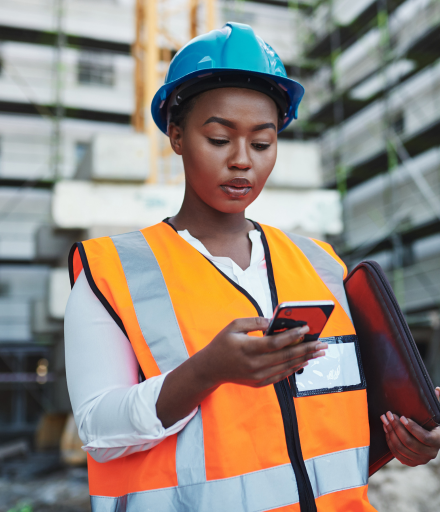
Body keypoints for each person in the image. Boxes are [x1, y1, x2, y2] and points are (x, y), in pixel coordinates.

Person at [65, 22, 440, 512]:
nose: (243, 161)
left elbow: (332, 423)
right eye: (220, 139)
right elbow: (97, 431)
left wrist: (406, 437)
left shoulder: (321, 265)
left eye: (262, 144)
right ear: (176, 136)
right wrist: (205, 372)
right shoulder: (110, 271)